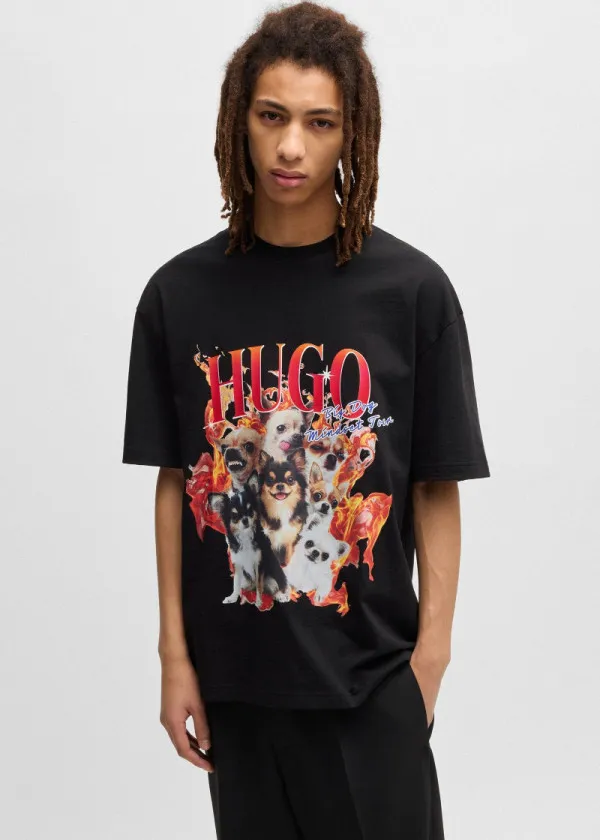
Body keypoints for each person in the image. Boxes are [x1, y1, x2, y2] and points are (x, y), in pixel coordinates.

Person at [121, 2, 490, 838]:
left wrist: (430, 662)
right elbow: (177, 481)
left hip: (371, 685)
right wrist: (174, 656)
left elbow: (435, 486)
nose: (291, 147)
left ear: (352, 134)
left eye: (320, 123)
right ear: (239, 122)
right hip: (236, 687)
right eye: (271, 116)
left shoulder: (412, 293)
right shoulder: (178, 295)